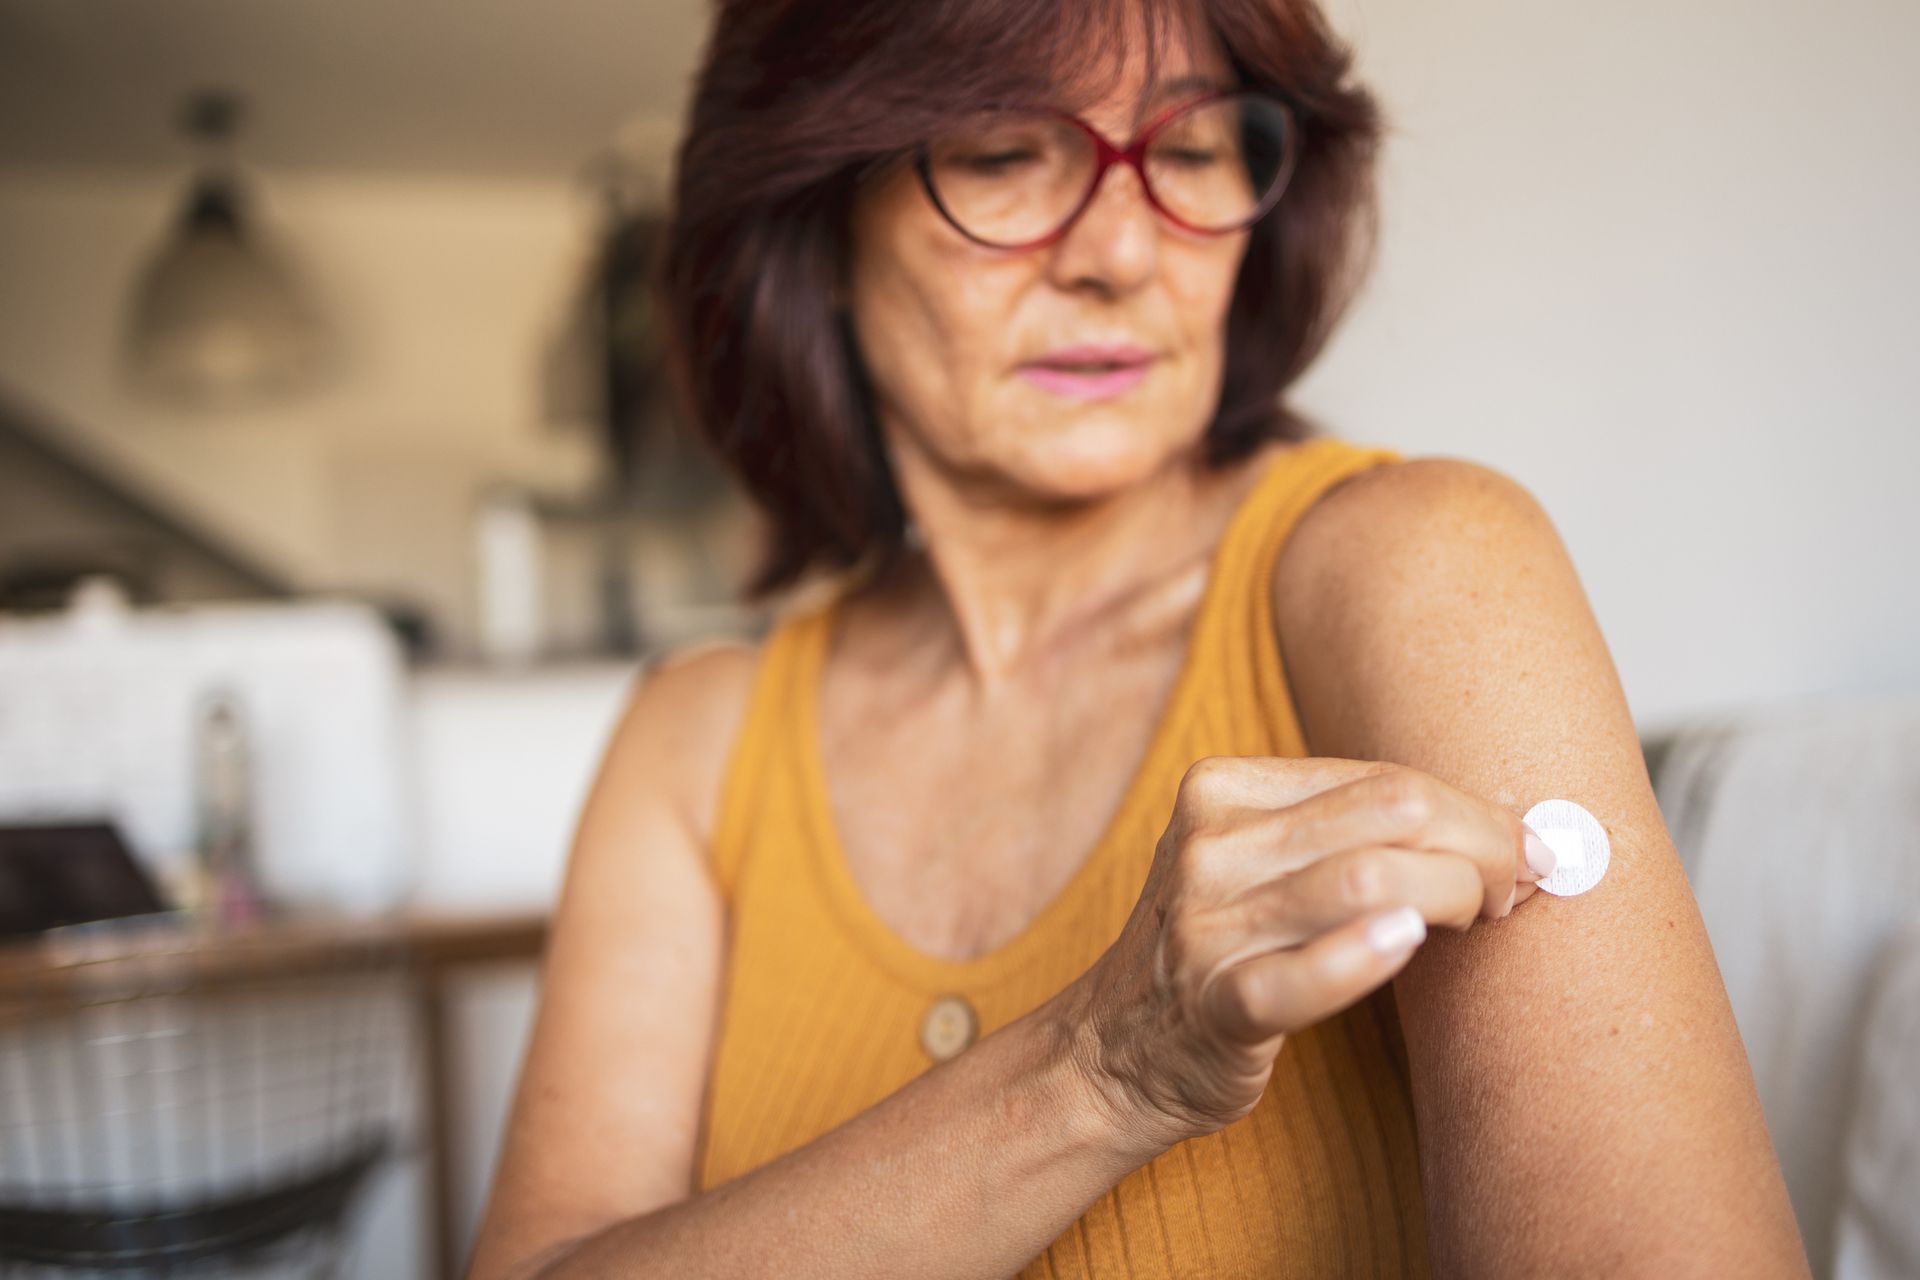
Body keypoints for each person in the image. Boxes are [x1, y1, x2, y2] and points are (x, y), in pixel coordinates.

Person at [469, 0, 1808, 1276]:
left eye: (1187, 149)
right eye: (1001, 155)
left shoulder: (1413, 565)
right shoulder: (693, 744)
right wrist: (1102, 1068)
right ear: (816, 222)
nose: (1118, 252)